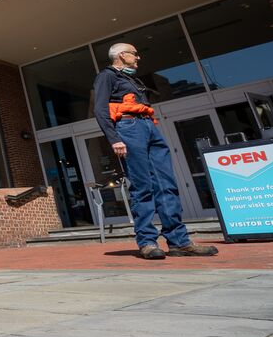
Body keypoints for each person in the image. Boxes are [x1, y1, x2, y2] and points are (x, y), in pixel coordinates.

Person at [93, 44, 218, 260]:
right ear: (122, 55)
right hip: (128, 128)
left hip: (149, 127)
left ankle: (179, 242)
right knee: (142, 186)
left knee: (166, 184)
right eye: (134, 53)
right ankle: (147, 242)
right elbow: (100, 109)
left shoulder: (132, 80)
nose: (138, 57)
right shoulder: (107, 76)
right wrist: (114, 139)